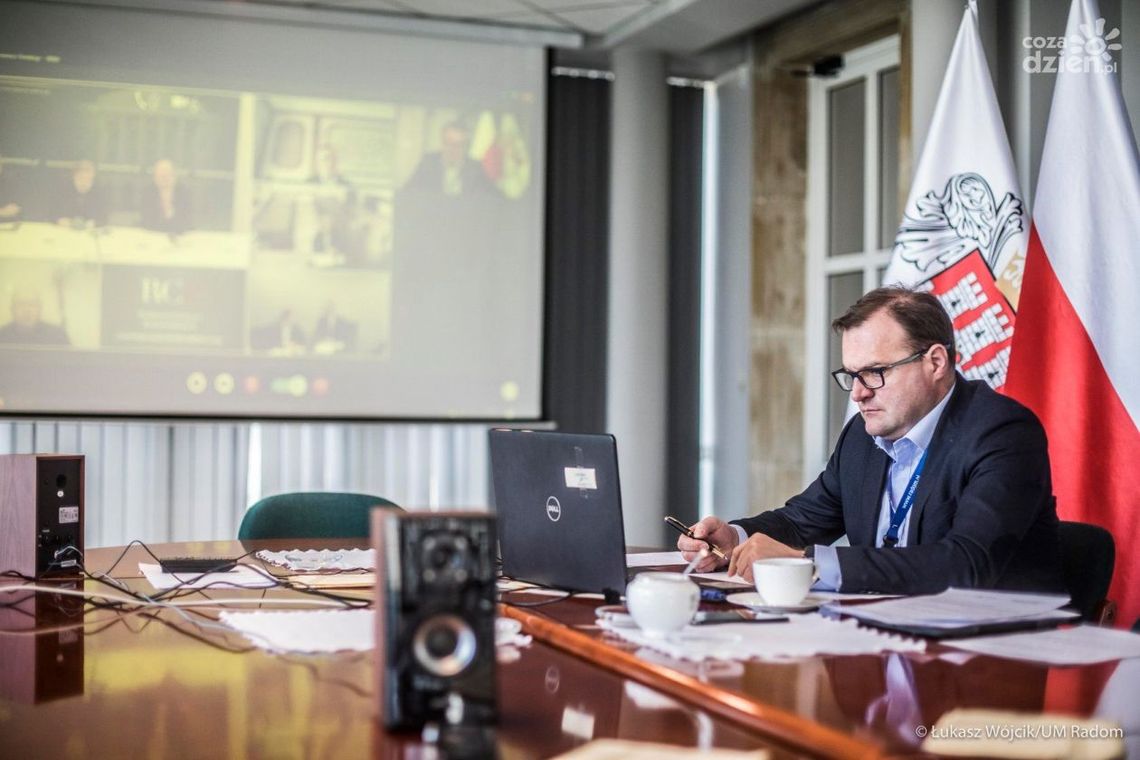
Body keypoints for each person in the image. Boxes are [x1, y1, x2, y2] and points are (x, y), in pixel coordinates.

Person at [678, 286, 1063, 595]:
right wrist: (735, 537)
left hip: (986, 664)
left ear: (935, 362)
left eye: (875, 372)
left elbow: (965, 565)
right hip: (880, 639)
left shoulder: (1003, 433)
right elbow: (801, 520)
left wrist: (807, 564)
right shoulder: (865, 436)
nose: (858, 394)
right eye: (851, 376)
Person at [0, 288, 70, 345]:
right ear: (12, 309)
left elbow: (69, 360)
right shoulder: (2, 335)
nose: (27, 310)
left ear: (40, 309)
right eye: (21, 304)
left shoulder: (57, 335)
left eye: (32, 304)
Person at [140, 158, 193, 234]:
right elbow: (147, 220)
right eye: (160, 175)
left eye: (167, 174)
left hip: (179, 235)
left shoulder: (184, 193)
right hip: (153, 234)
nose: (164, 178)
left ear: (174, 175)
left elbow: (187, 220)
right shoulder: (147, 193)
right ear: (155, 177)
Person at [55, 160, 108, 228]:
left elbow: (105, 218)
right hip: (66, 230)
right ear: (74, 176)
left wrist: (94, 223)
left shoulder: (100, 192)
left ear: (93, 176)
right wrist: (60, 220)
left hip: (91, 231)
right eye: (80, 178)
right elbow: (52, 214)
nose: (84, 182)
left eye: (87, 179)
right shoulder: (63, 190)